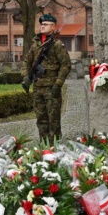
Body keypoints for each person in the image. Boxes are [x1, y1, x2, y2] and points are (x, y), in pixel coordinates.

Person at [21, 13, 71, 144]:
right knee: (41, 119)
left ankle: (56, 147)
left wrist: (58, 84)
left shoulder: (57, 45)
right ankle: (44, 146)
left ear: (53, 26)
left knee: (53, 120)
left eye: (46, 24)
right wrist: (26, 77)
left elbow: (65, 65)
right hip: (38, 87)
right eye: (41, 24)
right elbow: (27, 61)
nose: (42, 26)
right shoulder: (35, 44)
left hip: (51, 87)